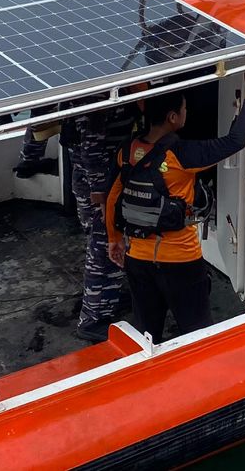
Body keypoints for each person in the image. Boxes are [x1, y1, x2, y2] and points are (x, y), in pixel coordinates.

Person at [104, 68, 245, 343]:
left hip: (138, 259)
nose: (187, 112)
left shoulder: (126, 151)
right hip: (181, 261)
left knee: (146, 337)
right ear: (173, 117)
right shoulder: (181, 155)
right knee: (197, 335)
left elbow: (111, 199)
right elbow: (235, 141)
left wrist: (113, 238)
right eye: (184, 108)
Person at [66, 90, 145, 343]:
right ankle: (93, 319)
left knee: (104, 247)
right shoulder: (98, 99)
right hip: (99, 184)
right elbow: (91, 151)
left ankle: (104, 299)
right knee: (104, 248)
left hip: (101, 181)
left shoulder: (110, 90)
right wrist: (102, 200)